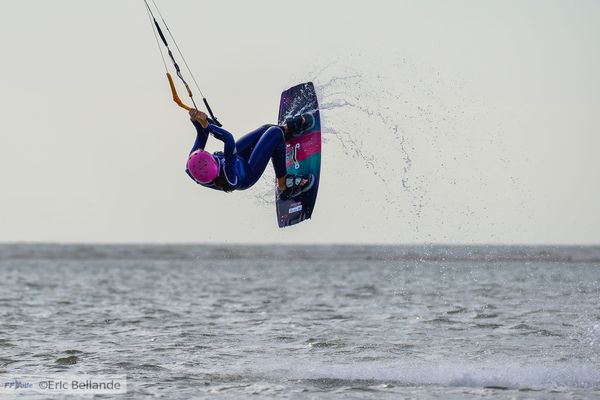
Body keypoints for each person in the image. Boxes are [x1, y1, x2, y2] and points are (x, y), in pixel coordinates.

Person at [186, 109, 315, 199]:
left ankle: (283, 135)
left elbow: (201, 137)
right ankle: (283, 184)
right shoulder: (227, 173)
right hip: (248, 174)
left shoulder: (193, 166)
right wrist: (207, 125)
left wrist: (196, 121)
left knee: (266, 129)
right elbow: (228, 139)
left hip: (238, 159)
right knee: (274, 132)